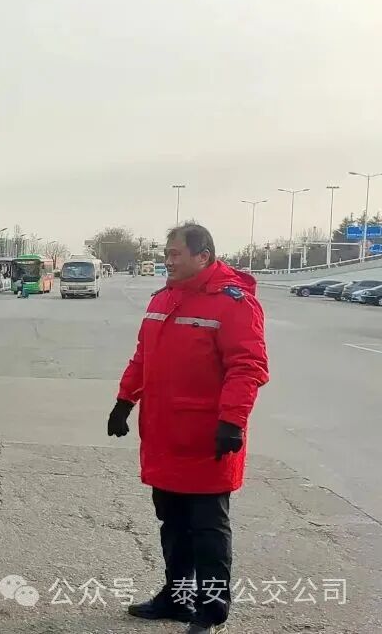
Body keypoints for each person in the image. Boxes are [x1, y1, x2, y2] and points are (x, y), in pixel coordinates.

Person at [108, 224, 268, 634]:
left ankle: (211, 612)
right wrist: (124, 401)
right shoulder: (163, 298)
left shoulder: (233, 303)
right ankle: (177, 598)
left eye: (175, 253)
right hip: (164, 436)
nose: (168, 260)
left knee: (208, 530)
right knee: (173, 524)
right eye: (166, 253)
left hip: (207, 439)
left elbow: (247, 367)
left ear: (203, 255)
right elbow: (143, 357)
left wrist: (232, 421)